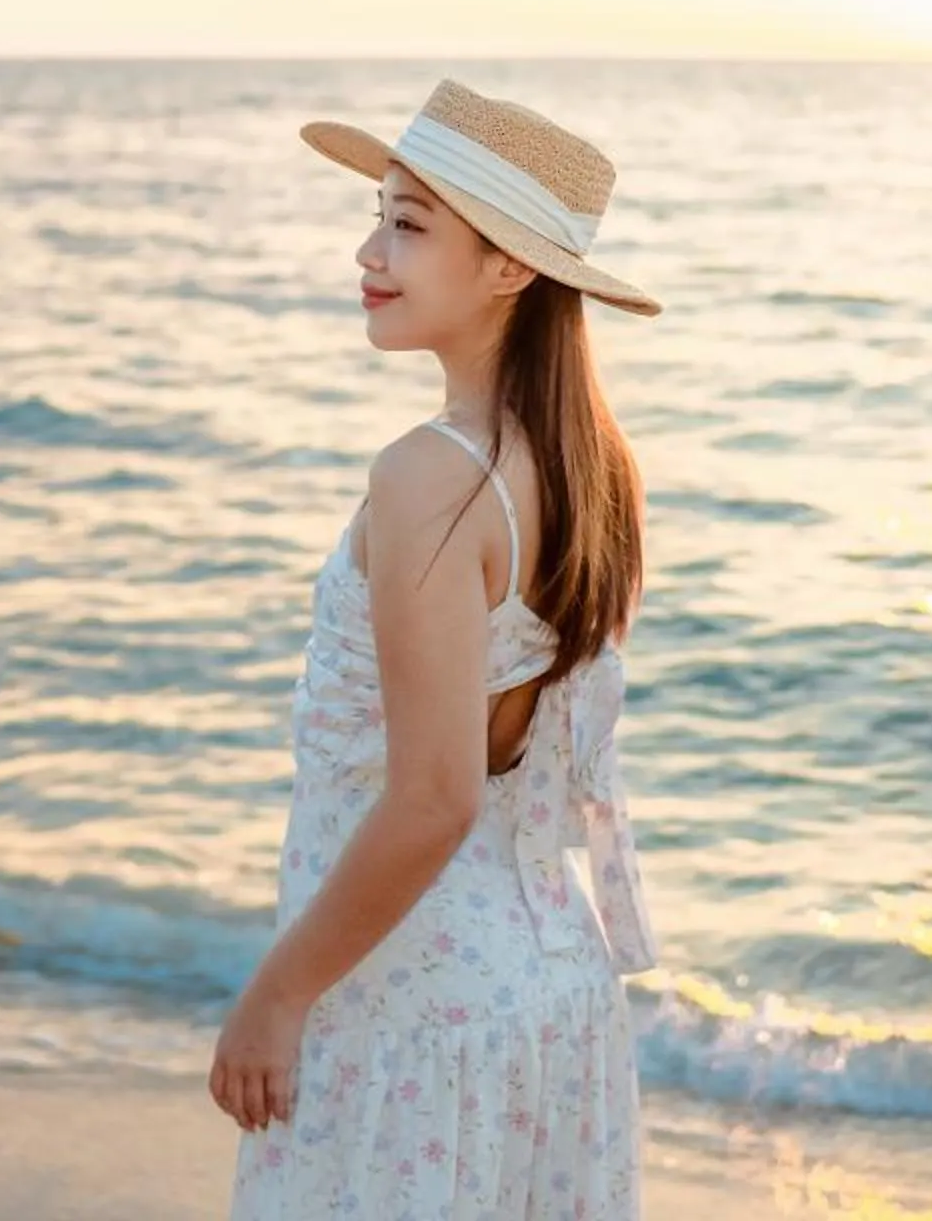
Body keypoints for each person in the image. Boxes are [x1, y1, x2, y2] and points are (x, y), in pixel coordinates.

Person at [215, 77, 664, 1219]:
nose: (368, 249)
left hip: (413, 1002)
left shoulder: (429, 474)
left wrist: (279, 989)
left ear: (511, 266)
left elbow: (435, 794)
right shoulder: (592, 467)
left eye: (410, 223)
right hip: (549, 992)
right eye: (377, 213)